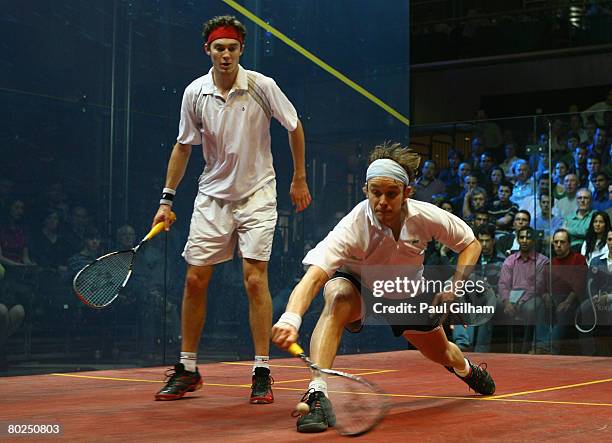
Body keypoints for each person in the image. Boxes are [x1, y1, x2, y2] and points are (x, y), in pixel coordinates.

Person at [271, 142, 494, 434]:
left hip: (406, 294)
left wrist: (454, 286)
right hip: (359, 291)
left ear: (407, 194)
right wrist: (290, 318)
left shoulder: (425, 217)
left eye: (391, 194)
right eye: (375, 193)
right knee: (337, 295)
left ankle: (466, 369)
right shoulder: (352, 226)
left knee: (443, 354)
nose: (382, 202)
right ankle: (317, 393)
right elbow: (314, 277)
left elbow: (470, 244)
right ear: (365, 190)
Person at [153, 15, 311, 404]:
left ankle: (261, 370)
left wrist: (299, 178)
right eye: (218, 48)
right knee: (194, 281)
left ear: (241, 50)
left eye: (232, 48)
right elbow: (183, 145)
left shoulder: (262, 86)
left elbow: (294, 126)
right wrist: (166, 199)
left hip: (258, 194)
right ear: (207, 50)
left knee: (255, 280)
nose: (225, 55)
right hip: (212, 197)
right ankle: (188, 368)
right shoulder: (194, 93)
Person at [550, 229, 587, 354]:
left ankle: (551, 351)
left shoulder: (578, 259)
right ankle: (536, 347)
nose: (558, 245)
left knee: (563, 311)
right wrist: (546, 299)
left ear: (569, 244)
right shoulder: (551, 262)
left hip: (574, 299)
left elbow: (578, 284)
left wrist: (567, 302)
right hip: (553, 298)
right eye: (556, 242)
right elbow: (543, 286)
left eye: (562, 242)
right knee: (538, 307)